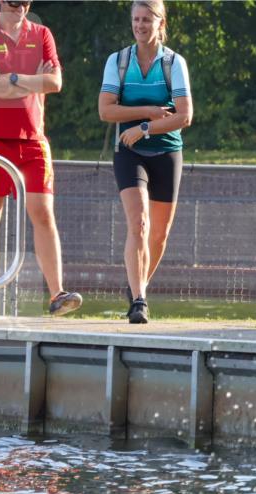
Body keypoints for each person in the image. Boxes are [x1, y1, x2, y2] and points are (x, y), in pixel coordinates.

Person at [0, 0, 81, 316]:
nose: (19, 6)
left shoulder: (42, 34)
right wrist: (32, 79)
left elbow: (56, 82)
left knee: (43, 212)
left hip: (33, 139)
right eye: (13, 1)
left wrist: (14, 78)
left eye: (25, 1)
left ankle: (57, 294)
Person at [98, 0, 192, 324]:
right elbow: (106, 111)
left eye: (146, 20)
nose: (140, 25)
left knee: (159, 235)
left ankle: (138, 285)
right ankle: (139, 300)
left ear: (160, 22)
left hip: (166, 151)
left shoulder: (173, 63)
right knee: (138, 223)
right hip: (129, 151)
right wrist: (147, 113)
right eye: (136, 19)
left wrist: (147, 128)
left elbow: (184, 115)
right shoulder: (118, 61)